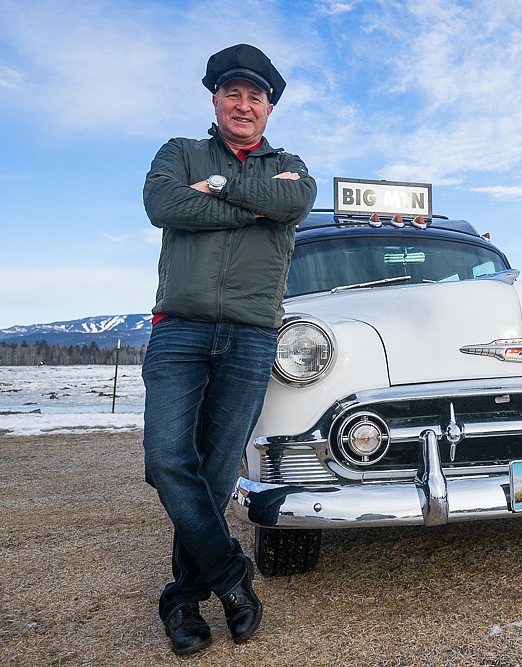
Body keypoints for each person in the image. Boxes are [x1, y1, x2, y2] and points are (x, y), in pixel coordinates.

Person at [141, 43, 316, 656]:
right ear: (214, 100)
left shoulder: (291, 168)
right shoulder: (178, 153)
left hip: (250, 334)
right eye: (233, 94)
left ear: (269, 109)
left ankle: (184, 601)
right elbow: (164, 204)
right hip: (179, 328)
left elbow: (292, 203)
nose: (244, 105)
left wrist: (213, 192)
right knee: (166, 459)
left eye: (256, 97)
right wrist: (251, 202)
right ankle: (232, 576)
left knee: (215, 476)